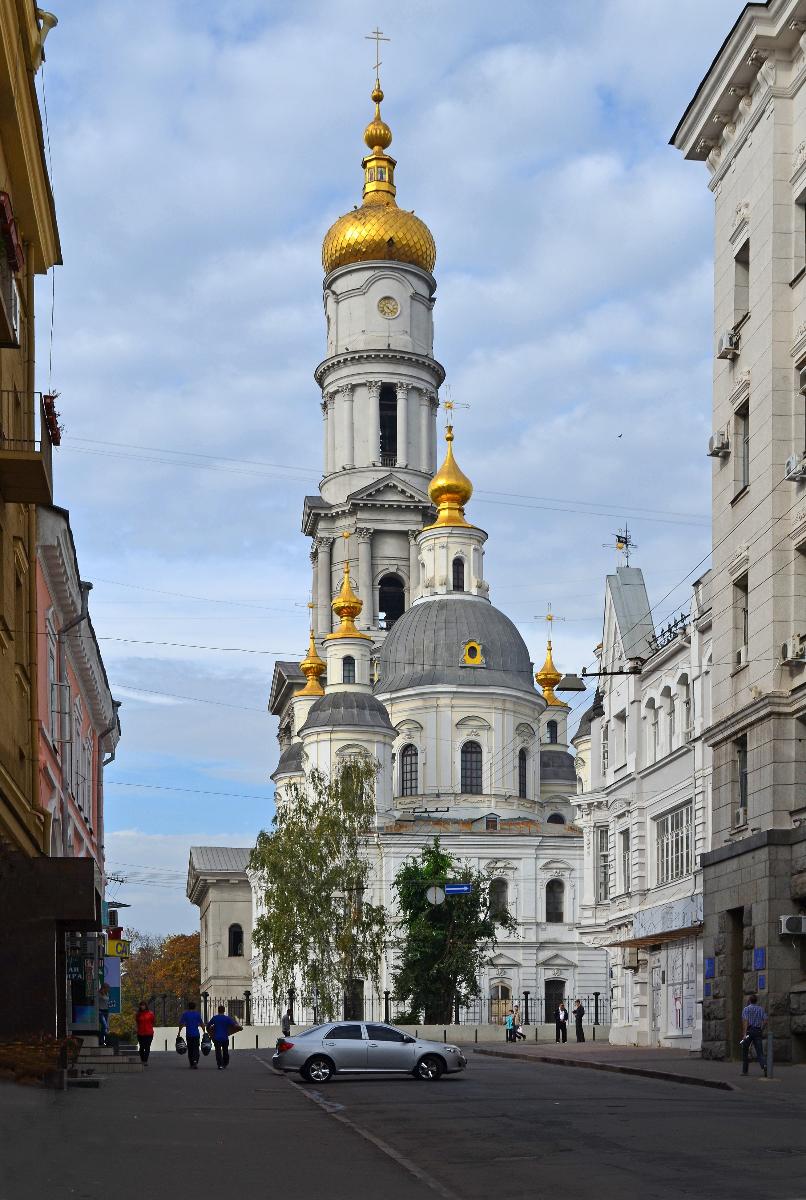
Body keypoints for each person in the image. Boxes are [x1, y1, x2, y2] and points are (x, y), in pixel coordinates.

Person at [206, 1005, 242, 1070]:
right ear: (224, 1010)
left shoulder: (215, 1018)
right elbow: (234, 1025)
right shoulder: (227, 1018)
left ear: (218, 1010)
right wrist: (240, 1028)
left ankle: (220, 1065)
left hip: (217, 1038)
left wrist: (211, 1033)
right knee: (225, 1051)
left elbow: (208, 1026)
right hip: (225, 1038)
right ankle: (225, 1063)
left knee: (218, 1052)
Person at [741, 993, 767, 1077]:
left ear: (749, 1000)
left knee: (745, 1050)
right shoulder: (761, 1009)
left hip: (749, 1031)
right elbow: (765, 1020)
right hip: (757, 1031)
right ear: (756, 1001)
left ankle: (745, 1071)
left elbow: (745, 1022)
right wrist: (761, 1029)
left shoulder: (746, 1009)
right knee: (760, 1051)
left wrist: (744, 1034)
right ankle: (764, 1065)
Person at [178, 1001, 205, 1069]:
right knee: (196, 1048)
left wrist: (179, 1032)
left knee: (190, 1049)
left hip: (189, 1034)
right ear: (195, 1007)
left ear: (188, 1007)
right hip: (196, 1034)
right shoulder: (197, 1014)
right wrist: (204, 1032)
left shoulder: (185, 1014)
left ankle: (191, 1063)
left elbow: (181, 1024)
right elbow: (202, 1023)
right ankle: (195, 1061)